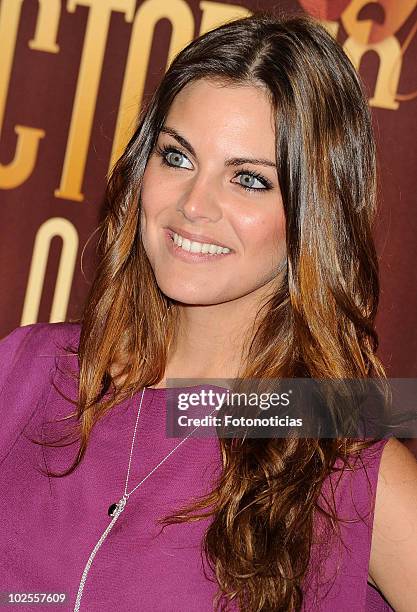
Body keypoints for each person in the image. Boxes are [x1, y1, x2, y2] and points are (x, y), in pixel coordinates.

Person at [1, 11, 416, 612]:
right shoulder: (29, 369)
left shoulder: (346, 464)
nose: (194, 205)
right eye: (177, 156)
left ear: (315, 213)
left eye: (248, 179)